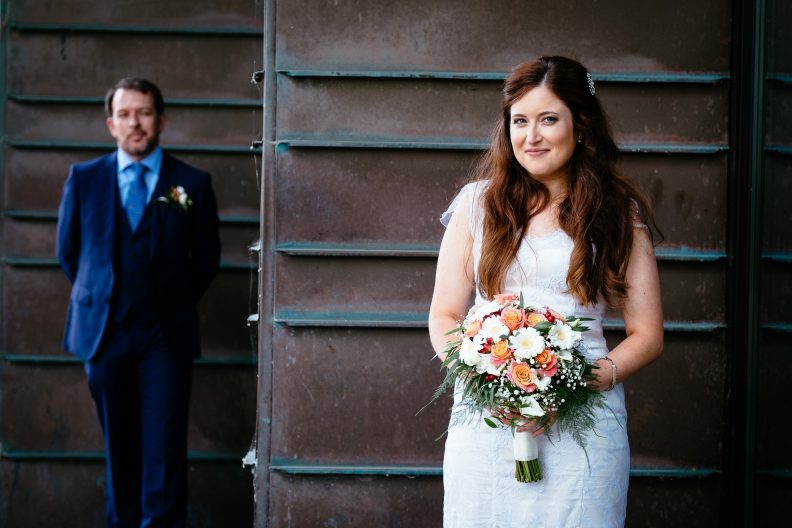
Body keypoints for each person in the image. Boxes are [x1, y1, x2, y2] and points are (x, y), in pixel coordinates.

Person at [428, 56, 664, 527]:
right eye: (519, 121)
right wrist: (486, 383)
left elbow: (647, 334)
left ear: (581, 126)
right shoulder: (478, 204)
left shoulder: (618, 211)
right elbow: (445, 314)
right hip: (488, 421)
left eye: (548, 119)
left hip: (585, 426)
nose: (530, 136)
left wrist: (572, 387)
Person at [56, 77, 221, 527]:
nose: (135, 123)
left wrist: (169, 301)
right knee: (119, 449)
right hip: (104, 336)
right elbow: (69, 254)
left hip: (164, 339)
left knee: (164, 449)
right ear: (111, 124)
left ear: (160, 119)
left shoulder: (191, 184)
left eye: (144, 113)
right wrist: (104, 299)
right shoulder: (84, 179)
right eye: (125, 114)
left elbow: (206, 260)